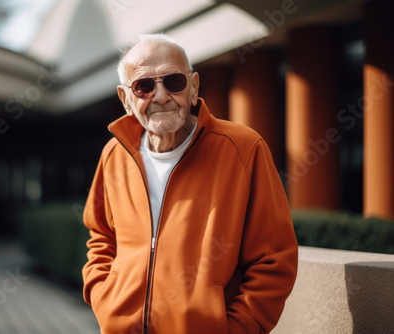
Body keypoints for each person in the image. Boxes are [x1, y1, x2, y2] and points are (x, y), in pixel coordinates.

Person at [82, 34, 298, 334]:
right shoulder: (114, 154)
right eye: (144, 86)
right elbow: (101, 237)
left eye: (173, 82)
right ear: (125, 99)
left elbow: (274, 258)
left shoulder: (244, 147)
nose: (160, 96)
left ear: (193, 86)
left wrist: (236, 328)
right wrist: (104, 299)